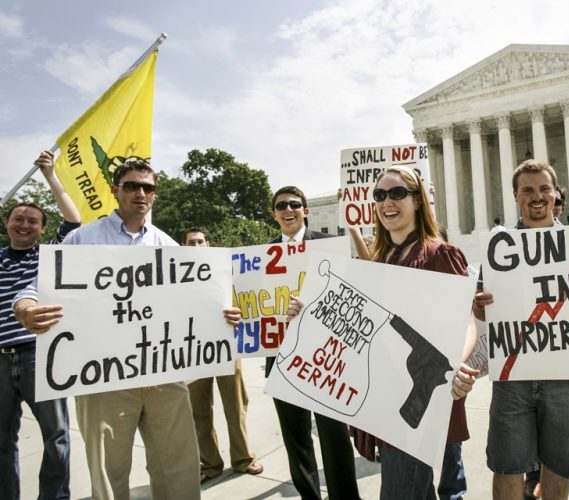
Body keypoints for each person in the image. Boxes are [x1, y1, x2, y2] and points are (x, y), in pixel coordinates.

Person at [13, 158, 242, 500]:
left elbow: (191, 300)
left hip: (163, 377)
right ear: (114, 190)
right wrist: (26, 309)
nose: (140, 193)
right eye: (132, 185)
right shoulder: (82, 239)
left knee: (177, 466)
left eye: (148, 188)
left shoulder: (165, 243)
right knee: (109, 473)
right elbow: (33, 290)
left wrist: (221, 316)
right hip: (103, 379)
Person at [474, 159, 569, 500]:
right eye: (528, 190)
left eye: (544, 189)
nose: (537, 197)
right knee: (507, 464)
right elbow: (482, 311)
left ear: (556, 194)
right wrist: (480, 305)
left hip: (568, 374)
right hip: (513, 374)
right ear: (516, 196)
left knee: (560, 465)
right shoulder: (500, 248)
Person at [367, 166, 478, 499]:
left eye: (397, 193)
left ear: (417, 201)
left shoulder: (438, 254)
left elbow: (466, 320)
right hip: (386, 395)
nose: (388, 201)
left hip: (423, 391)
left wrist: (453, 365)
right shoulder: (377, 260)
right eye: (380, 195)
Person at [265, 185, 361, 500]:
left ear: (305, 210)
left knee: (334, 438)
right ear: (274, 214)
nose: (288, 210)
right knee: (297, 441)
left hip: (326, 359)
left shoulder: (330, 246)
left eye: (294, 204)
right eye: (281, 205)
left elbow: (351, 292)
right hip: (281, 359)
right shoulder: (261, 255)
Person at [0, 150, 81, 500]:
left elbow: (74, 220)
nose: (24, 224)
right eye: (18, 218)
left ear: (42, 229)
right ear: (7, 223)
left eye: (33, 221)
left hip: (39, 355)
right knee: (3, 441)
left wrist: (50, 175)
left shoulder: (47, 255)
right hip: (0, 359)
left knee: (56, 434)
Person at [183, 228, 263, 483]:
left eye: (200, 241)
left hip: (226, 346)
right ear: (183, 247)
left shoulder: (226, 269)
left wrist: (237, 313)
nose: (196, 246)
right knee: (199, 411)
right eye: (190, 243)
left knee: (235, 405)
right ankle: (209, 464)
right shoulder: (175, 277)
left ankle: (243, 459)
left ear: (209, 244)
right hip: (192, 350)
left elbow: (247, 299)